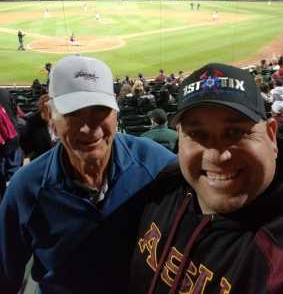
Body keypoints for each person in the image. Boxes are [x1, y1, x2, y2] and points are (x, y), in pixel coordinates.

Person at [0, 55, 176, 294]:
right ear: (49, 115)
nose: (88, 128)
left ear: (116, 112)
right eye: (73, 114)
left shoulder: (159, 166)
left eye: (100, 111)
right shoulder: (25, 188)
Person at [129, 63, 283, 293]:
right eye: (197, 135)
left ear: (271, 136)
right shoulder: (165, 184)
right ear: (179, 138)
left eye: (235, 132)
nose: (217, 155)